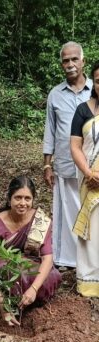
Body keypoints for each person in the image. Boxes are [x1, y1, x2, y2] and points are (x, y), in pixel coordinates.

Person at [0, 176, 61, 326]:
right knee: (6, 271)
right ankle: (7, 303)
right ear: (9, 199)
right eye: (18, 198)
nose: (22, 203)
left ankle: (30, 303)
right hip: (5, 267)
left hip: (29, 266)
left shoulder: (40, 221)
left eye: (27, 198)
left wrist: (33, 289)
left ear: (33, 200)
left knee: (51, 275)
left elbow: (47, 258)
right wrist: (3, 309)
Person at [43, 41, 92, 269]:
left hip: (92, 164)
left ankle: (90, 257)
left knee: (91, 209)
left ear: (83, 61)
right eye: (65, 60)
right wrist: (46, 164)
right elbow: (50, 130)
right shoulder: (55, 93)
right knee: (65, 212)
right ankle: (66, 259)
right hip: (64, 162)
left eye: (74, 59)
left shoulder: (96, 88)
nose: (70, 64)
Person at [70, 61, 99, 297]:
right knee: (91, 228)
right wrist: (89, 173)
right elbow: (75, 146)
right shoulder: (83, 110)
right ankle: (89, 282)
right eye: (98, 80)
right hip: (89, 180)